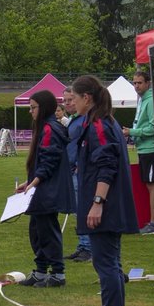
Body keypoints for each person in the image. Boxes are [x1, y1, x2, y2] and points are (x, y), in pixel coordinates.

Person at [68, 75, 139, 306]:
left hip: (106, 207)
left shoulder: (99, 125)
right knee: (111, 263)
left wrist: (97, 204)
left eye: (74, 98)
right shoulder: (100, 123)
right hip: (108, 205)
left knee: (105, 263)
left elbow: (106, 166)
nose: (71, 103)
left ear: (87, 98)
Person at [15, 91, 75, 287]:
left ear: (44, 108)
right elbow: (43, 160)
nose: (30, 111)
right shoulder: (44, 128)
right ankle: (41, 271)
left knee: (47, 231)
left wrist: (35, 181)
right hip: (42, 188)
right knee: (37, 230)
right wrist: (29, 180)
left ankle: (58, 273)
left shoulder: (50, 129)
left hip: (48, 190)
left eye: (33, 108)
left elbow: (49, 160)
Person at [122, 70, 154, 235]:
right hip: (144, 149)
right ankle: (153, 222)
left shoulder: (151, 100)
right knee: (149, 184)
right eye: (134, 83)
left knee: (153, 184)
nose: (136, 86)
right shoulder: (142, 100)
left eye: (139, 83)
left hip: (151, 149)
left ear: (148, 83)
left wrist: (131, 132)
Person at [62, 86, 92, 263]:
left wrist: (81, 164)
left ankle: (88, 247)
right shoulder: (75, 119)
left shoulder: (85, 120)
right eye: (64, 101)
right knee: (77, 210)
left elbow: (87, 143)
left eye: (70, 100)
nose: (67, 104)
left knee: (82, 209)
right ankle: (83, 245)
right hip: (72, 169)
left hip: (79, 171)